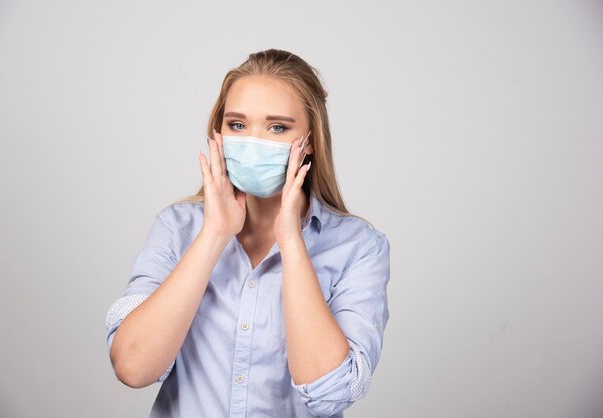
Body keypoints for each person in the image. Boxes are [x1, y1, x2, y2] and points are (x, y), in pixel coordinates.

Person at [105, 49, 391, 418]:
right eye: (237, 125)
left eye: (278, 127)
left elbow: (330, 392)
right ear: (219, 134)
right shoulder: (176, 229)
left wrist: (291, 244)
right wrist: (214, 234)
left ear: (311, 141)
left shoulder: (359, 248)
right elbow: (132, 366)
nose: (254, 141)